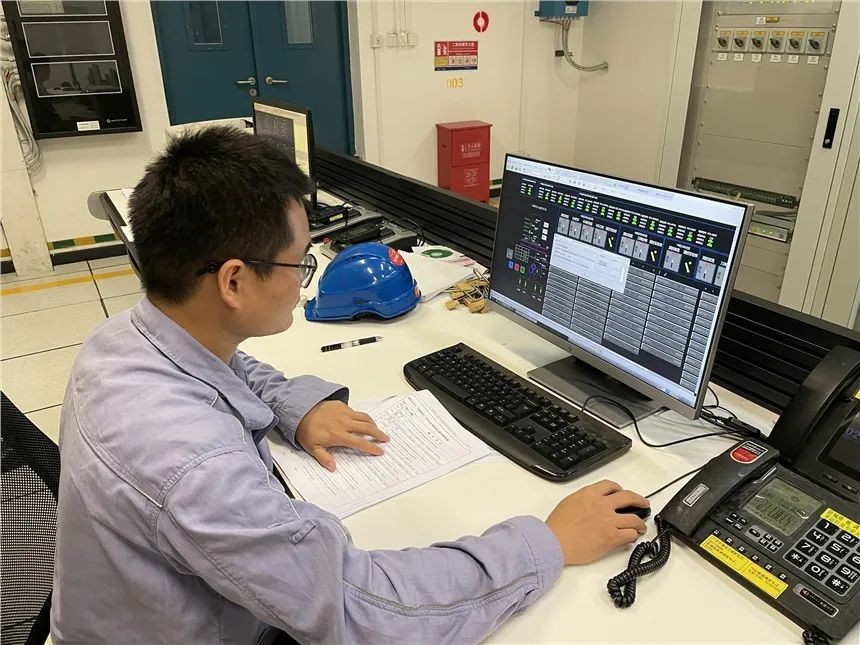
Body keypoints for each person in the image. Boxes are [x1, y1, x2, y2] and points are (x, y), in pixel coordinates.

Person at [51, 126, 650, 644]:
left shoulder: (123, 339)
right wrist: (548, 543)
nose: (303, 281)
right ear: (233, 282)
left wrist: (298, 407)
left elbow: (227, 368)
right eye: (298, 263)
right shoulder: (193, 467)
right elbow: (360, 614)